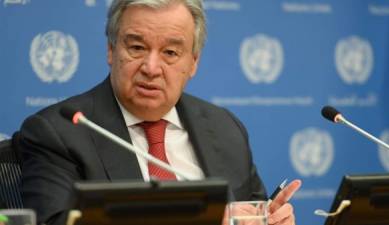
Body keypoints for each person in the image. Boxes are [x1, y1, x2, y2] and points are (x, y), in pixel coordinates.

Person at [16, 0, 301, 225]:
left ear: (193, 63)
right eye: (137, 47)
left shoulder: (225, 127)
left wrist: (270, 218)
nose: (151, 68)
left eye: (170, 53)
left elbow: (251, 209)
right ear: (111, 50)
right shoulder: (59, 133)